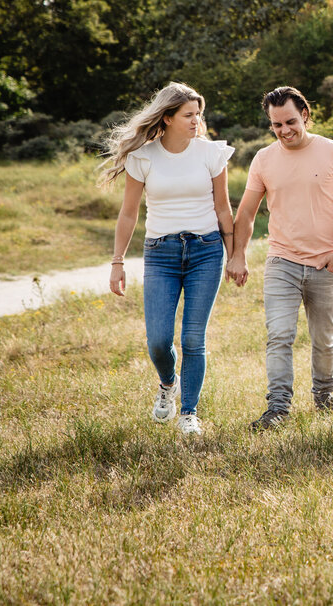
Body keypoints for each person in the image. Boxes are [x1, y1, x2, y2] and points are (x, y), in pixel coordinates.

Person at [101, 83, 235, 436]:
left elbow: (223, 207)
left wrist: (236, 254)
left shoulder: (211, 154)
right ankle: (167, 383)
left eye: (198, 114)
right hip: (161, 254)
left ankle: (189, 412)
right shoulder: (143, 157)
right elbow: (129, 213)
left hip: (206, 251)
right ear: (168, 117)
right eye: (189, 115)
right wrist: (117, 261)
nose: (197, 121)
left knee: (193, 338)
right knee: (158, 341)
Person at [227, 86, 333, 431]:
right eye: (276, 125)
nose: (284, 130)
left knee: (324, 339)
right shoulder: (264, 159)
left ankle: (324, 398)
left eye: (290, 121)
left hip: (325, 264)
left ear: (305, 115)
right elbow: (246, 213)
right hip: (281, 262)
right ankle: (278, 407)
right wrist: (238, 255)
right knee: (279, 335)